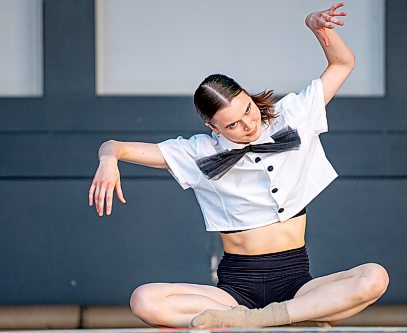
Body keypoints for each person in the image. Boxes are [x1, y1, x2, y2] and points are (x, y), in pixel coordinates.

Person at [88, 2, 389, 328]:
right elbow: (116, 146)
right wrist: (108, 160)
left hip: (297, 282)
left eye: (248, 109)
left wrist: (319, 28)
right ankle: (266, 319)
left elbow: (343, 63)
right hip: (235, 290)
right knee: (144, 300)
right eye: (232, 125)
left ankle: (262, 320)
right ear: (214, 129)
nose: (248, 124)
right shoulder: (199, 153)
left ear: (248, 94)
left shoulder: (293, 116)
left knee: (374, 278)